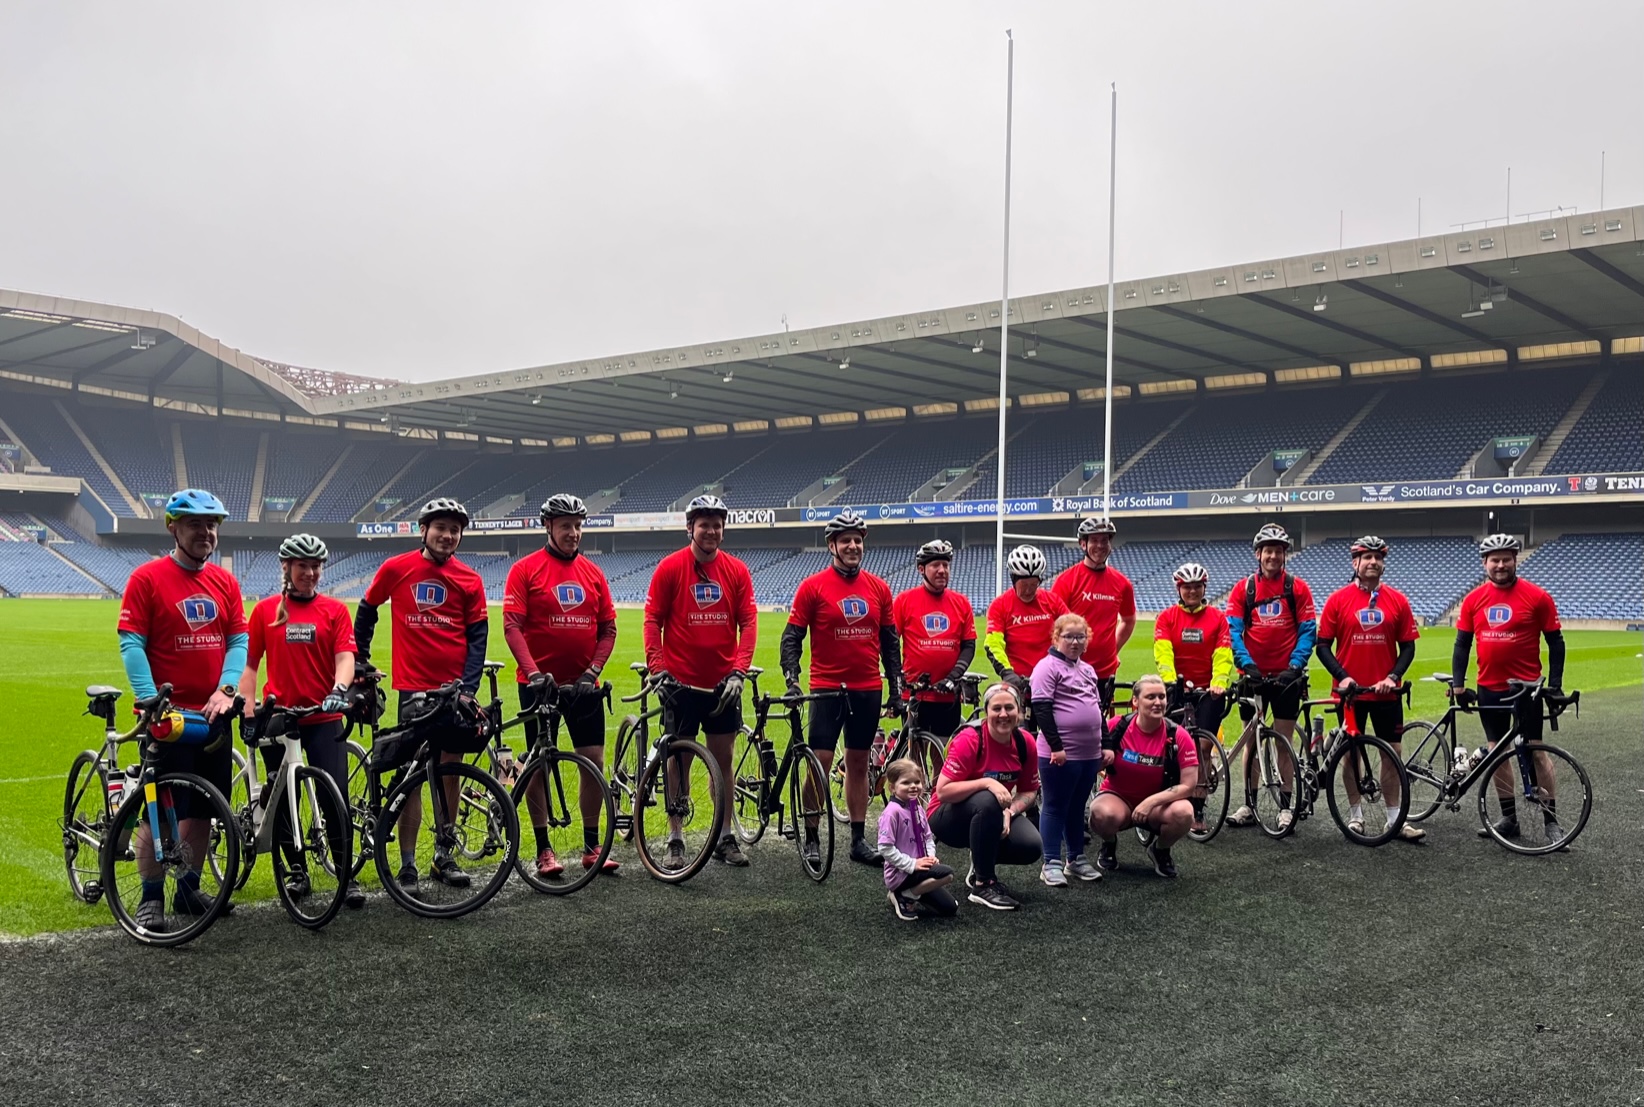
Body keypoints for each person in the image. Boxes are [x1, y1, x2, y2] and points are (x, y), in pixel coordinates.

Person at [116, 488, 248, 932]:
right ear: (173, 527)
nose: (206, 532)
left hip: (212, 715)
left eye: (212, 524)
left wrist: (226, 690)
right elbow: (131, 641)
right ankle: (151, 897)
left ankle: (188, 888)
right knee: (162, 808)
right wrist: (150, 696)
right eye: (195, 524)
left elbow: (237, 641)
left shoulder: (226, 582)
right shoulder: (147, 578)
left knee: (207, 809)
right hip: (168, 717)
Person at [353, 497, 488, 888]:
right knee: (410, 774)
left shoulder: (470, 580)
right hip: (413, 689)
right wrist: (360, 658)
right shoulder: (397, 568)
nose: (448, 535)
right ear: (423, 530)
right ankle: (408, 862)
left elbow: (478, 638)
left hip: (453, 692)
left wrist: (469, 688)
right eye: (440, 528)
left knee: (449, 771)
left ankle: (444, 856)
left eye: (454, 530)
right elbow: (367, 608)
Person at [239, 533, 362, 907]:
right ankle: (296, 871)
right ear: (287, 568)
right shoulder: (264, 612)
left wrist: (340, 688)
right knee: (280, 797)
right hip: (280, 717)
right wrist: (247, 708)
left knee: (335, 796)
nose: (309, 573)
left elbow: (345, 657)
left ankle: (345, 874)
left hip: (323, 716)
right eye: (302, 566)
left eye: (315, 566)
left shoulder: (335, 610)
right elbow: (249, 664)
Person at [503, 493, 621, 877]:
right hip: (540, 686)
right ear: (548, 526)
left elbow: (608, 629)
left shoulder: (593, 572)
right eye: (565, 525)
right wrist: (534, 673)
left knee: (593, 761)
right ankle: (543, 849)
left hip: (584, 687)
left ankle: (591, 846)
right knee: (538, 764)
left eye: (577, 525)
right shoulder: (525, 569)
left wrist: (592, 672)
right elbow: (513, 626)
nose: (573, 533)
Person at [642, 493, 758, 869]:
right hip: (680, 683)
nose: (711, 530)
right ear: (690, 527)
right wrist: (658, 668)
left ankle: (725, 837)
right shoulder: (670, 567)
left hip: (722, 684)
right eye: (704, 524)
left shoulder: (737, 570)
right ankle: (676, 838)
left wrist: (739, 671)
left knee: (722, 760)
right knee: (678, 761)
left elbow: (749, 624)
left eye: (717, 524)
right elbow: (652, 620)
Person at [781, 510, 900, 867]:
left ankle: (858, 840)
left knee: (859, 763)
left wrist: (895, 688)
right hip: (827, 688)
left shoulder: (879, 587)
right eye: (845, 540)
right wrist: (792, 680)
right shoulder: (812, 586)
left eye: (858, 540)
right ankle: (813, 835)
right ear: (832, 545)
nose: (853, 546)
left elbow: (890, 642)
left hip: (867, 687)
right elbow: (792, 638)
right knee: (820, 762)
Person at [1450, 533, 1567, 843]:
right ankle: (1509, 819)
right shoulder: (1474, 599)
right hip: (1489, 688)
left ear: (1516, 559)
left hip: (1527, 689)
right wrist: (1459, 685)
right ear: (1485, 563)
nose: (1500, 565)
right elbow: (1462, 644)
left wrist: (1554, 685)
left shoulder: (1537, 596)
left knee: (1536, 753)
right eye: (1494, 560)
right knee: (1497, 753)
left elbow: (1556, 643)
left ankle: (1551, 821)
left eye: (1506, 559)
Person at [1315, 535, 1424, 842]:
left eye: (1378, 557)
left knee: (1393, 753)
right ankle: (1356, 816)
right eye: (1367, 557)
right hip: (1350, 693)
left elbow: (1408, 648)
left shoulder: (1397, 600)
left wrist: (1393, 676)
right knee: (1351, 755)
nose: (1373, 562)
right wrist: (1343, 676)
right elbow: (1323, 646)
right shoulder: (1338, 600)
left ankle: (1394, 820)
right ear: (1356, 563)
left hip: (1385, 692)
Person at [1225, 523, 1316, 832]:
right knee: (1250, 741)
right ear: (1258, 555)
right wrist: (1246, 663)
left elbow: (1307, 631)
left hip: (1286, 678)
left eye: (1278, 551)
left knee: (1283, 742)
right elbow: (1234, 631)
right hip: (1252, 677)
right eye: (1268, 551)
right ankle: (1249, 805)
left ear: (1284, 555)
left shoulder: (1297, 588)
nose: (1273, 556)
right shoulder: (1244, 589)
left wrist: (1295, 664)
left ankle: (1286, 806)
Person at [928, 682, 1042, 911]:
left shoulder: (1025, 742)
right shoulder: (970, 739)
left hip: (990, 813)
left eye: (1009, 708)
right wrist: (988, 782)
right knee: (988, 799)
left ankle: (980, 860)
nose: (1003, 714)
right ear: (986, 711)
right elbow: (943, 790)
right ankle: (984, 884)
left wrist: (1010, 812)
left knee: (1031, 846)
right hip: (946, 817)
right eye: (996, 708)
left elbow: (1029, 790)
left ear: (1019, 712)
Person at [1089, 674, 1199, 879]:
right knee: (1100, 814)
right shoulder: (1116, 726)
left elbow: (1189, 785)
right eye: (1150, 697)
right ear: (1135, 702)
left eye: (1162, 697)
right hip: (1118, 797)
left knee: (1185, 812)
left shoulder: (1178, 735)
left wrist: (1150, 802)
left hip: (1157, 805)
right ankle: (1109, 845)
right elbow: (1089, 764)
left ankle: (1160, 850)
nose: (1158, 702)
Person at [1154, 561, 1234, 833]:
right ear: (1179, 588)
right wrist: (1169, 679)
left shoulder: (1217, 618)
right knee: (1172, 746)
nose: (1192, 591)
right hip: (1177, 688)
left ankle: (1198, 807)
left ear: (1204, 588)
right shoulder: (1166, 617)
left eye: (1197, 586)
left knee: (1202, 748)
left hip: (1208, 690)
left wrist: (1219, 681)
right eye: (1187, 587)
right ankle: (1170, 798)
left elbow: (1223, 653)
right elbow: (1163, 651)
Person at [1029, 614, 1106, 887]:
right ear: (1056, 637)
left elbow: (1098, 710)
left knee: (1077, 806)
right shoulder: (1046, 667)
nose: (1075, 642)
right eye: (1069, 636)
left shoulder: (1087, 669)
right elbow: (1042, 710)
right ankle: (1050, 862)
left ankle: (1076, 859)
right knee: (1054, 806)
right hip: (1059, 754)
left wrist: (1105, 745)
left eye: (1080, 636)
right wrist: (1057, 747)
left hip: (1088, 754)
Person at [890, 539, 976, 739]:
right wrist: (897, 675)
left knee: (943, 755)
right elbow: (891, 643)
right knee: (915, 758)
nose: (942, 570)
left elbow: (968, 645)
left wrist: (953, 676)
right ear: (921, 569)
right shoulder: (904, 600)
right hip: (915, 693)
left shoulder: (961, 602)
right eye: (935, 565)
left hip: (948, 693)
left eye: (945, 565)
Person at [1049, 517, 1136, 709]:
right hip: (1071, 668)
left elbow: (1128, 620)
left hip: (1105, 671)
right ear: (1083, 544)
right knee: (1071, 724)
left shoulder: (1122, 584)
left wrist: (1114, 649)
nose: (1100, 545)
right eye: (1094, 540)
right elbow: (1053, 625)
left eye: (1104, 540)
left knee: (1100, 726)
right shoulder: (1066, 580)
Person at [983, 544, 1069, 703]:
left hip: (1051, 681)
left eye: (1033, 584)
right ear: (1013, 579)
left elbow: (1071, 633)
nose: (1029, 590)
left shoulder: (1053, 602)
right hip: (1018, 683)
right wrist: (1008, 673)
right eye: (1024, 585)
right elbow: (993, 644)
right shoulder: (1000, 605)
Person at [877, 759, 957, 921]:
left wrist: (930, 856)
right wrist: (912, 864)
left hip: (919, 868)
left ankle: (912, 892)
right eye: (906, 782)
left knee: (950, 908)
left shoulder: (918, 808)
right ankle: (904, 894)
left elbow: (927, 837)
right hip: (900, 873)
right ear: (892, 787)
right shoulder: (892, 813)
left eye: (917, 782)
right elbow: (885, 848)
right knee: (946, 875)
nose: (913, 786)